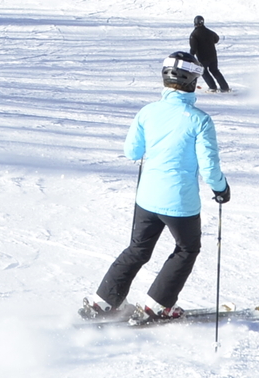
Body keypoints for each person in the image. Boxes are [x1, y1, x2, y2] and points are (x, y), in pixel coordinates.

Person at [80, 51, 230, 323]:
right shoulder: (199, 120)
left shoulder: (147, 112)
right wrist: (221, 189)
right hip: (180, 202)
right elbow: (209, 167)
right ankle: (156, 305)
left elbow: (131, 151)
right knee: (187, 249)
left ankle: (103, 301)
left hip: (147, 197)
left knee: (138, 249)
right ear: (193, 81)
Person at [189, 15, 229, 92]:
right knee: (214, 70)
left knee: (203, 71)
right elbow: (216, 38)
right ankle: (225, 87)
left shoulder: (194, 35)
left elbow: (193, 48)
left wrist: (191, 57)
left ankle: (212, 87)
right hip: (213, 55)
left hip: (203, 57)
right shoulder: (209, 32)